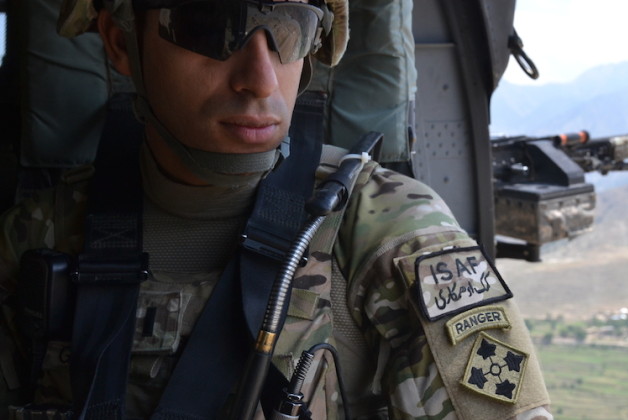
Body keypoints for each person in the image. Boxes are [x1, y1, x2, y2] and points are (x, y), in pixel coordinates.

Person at [0, 0, 553, 419]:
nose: (261, 79)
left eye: (291, 29)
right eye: (209, 27)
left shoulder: (386, 232)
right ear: (121, 43)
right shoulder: (37, 234)